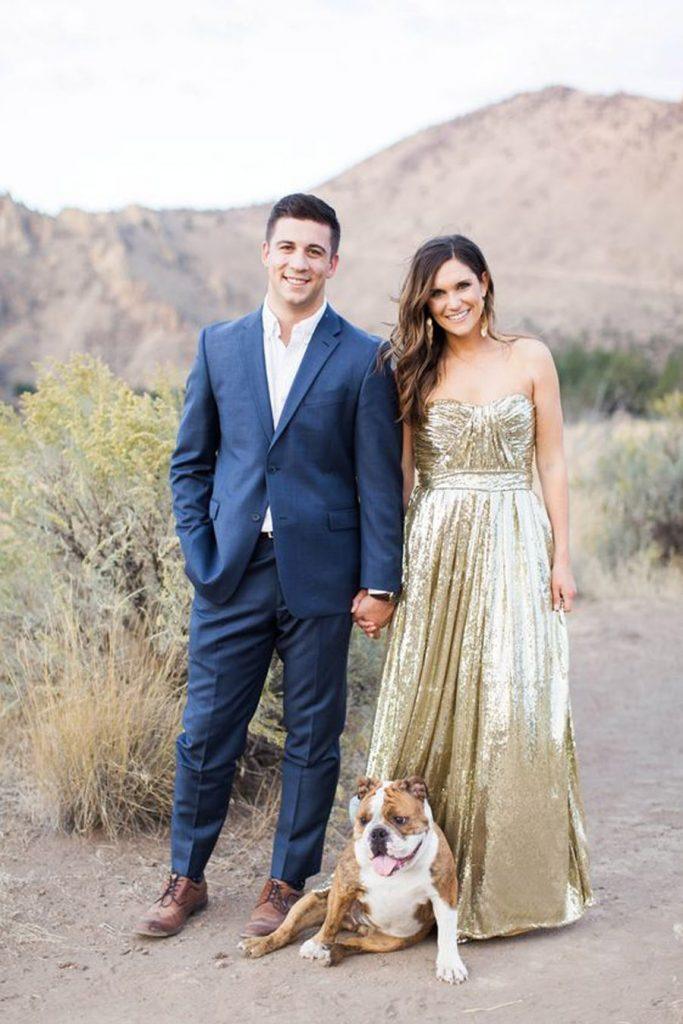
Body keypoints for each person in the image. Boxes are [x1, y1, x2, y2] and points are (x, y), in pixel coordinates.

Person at [137, 193, 403, 940]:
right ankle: (186, 878)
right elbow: (190, 463)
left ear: (332, 263)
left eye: (314, 251)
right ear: (266, 253)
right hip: (233, 571)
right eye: (287, 247)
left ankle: (285, 882)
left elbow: (379, 482)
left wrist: (380, 580)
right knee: (204, 734)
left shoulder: (363, 356)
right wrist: (200, 551)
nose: (299, 262)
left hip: (323, 577)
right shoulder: (219, 345)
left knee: (312, 738)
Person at [362, 235, 594, 940]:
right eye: (437, 293)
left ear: (485, 282)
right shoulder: (413, 368)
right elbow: (400, 479)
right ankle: (408, 888)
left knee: (516, 701)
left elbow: (551, 462)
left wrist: (560, 557)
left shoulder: (530, 357)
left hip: (517, 541)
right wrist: (384, 576)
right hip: (437, 546)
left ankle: (511, 888)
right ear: (423, 303)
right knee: (430, 695)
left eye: (462, 285)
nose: (452, 302)